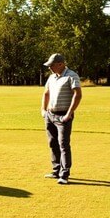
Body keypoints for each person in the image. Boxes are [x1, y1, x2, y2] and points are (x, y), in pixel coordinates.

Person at [41, 53, 82, 185]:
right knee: (52, 143)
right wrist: (43, 110)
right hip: (50, 114)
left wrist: (69, 113)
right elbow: (46, 93)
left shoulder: (71, 75)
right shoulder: (52, 77)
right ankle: (56, 170)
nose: (50, 68)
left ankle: (64, 174)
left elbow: (78, 94)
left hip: (64, 115)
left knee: (63, 144)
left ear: (60, 64)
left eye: (52, 65)